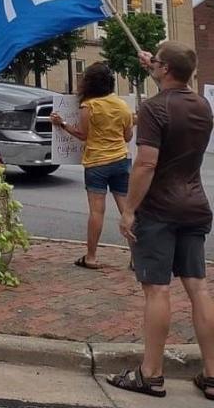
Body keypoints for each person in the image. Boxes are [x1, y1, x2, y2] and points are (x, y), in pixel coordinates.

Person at [109, 42, 214, 400]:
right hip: (195, 205)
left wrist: (129, 210)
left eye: (156, 60)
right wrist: (155, 66)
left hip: (159, 210)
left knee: (157, 289)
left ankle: (150, 374)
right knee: (199, 288)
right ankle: (213, 374)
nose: (151, 62)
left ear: (165, 69)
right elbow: (175, 102)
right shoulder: (202, 105)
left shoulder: (153, 110)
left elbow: (147, 163)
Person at [51, 62, 133, 269]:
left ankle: (91, 257)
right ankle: (138, 257)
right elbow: (127, 136)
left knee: (97, 212)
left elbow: (83, 135)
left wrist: (62, 124)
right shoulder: (123, 105)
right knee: (127, 210)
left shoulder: (89, 106)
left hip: (96, 163)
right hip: (121, 161)